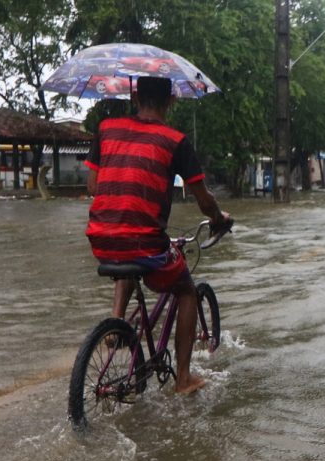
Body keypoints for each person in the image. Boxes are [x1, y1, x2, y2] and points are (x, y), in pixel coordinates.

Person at [84, 76, 230, 395]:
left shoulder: (106, 129)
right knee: (187, 290)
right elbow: (204, 200)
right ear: (171, 101)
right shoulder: (175, 140)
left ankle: (116, 325)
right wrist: (219, 218)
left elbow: (93, 187)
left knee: (127, 249)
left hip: (100, 238)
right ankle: (183, 378)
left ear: (135, 96)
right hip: (146, 242)